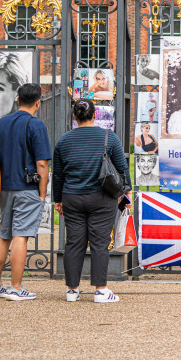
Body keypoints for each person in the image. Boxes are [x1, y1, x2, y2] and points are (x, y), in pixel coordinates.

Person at [52, 100, 132, 303]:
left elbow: (58, 175)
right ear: (95, 115)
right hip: (102, 198)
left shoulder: (64, 141)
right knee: (100, 243)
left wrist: (58, 199)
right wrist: (126, 192)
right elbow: (122, 168)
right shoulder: (109, 137)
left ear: (74, 117)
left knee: (74, 243)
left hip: (72, 197)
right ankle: (101, 290)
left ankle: (72, 290)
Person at [0, 83, 51, 301]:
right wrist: (42, 193)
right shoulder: (36, 125)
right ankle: (16, 287)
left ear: (17, 99)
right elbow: (41, 163)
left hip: (4, 187)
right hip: (27, 187)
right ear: (38, 102)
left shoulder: (0, 122)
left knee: (4, 235)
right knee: (21, 235)